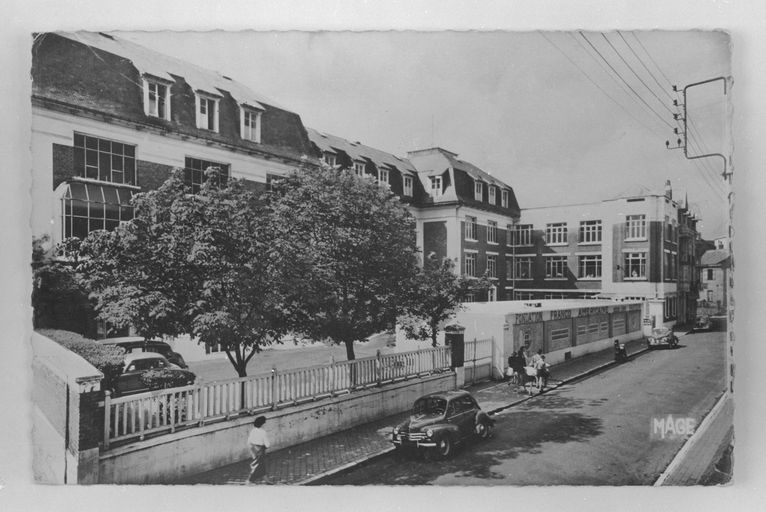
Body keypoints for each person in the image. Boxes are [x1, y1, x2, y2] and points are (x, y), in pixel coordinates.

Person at [247, 416, 270, 483]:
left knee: (260, 463)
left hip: (253, 448)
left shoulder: (253, 431)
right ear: (262, 424)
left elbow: (249, 441)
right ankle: (250, 480)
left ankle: (266, 479)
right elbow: (267, 444)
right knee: (258, 464)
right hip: (260, 449)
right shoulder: (263, 432)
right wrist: (266, 446)